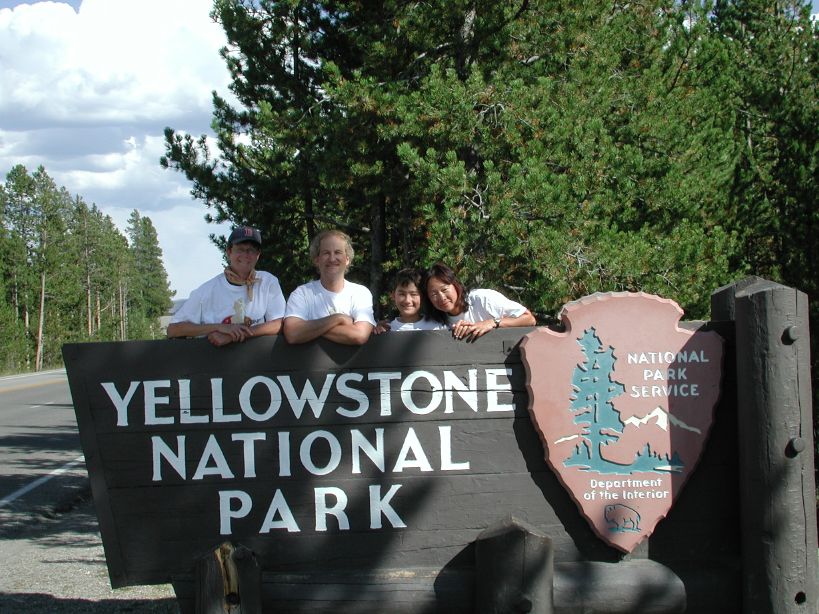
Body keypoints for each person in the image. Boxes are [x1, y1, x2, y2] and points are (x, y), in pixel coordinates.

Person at [167, 226, 286, 347]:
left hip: (257, 362)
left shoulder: (267, 282)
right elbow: (173, 329)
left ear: (258, 255)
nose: (246, 254)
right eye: (240, 249)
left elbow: (281, 323)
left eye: (251, 250)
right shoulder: (207, 290)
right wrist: (220, 328)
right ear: (229, 252)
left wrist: (234, 335)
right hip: (215, 362)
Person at [283, 229, 375, 345]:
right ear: (317, 260)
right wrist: (338, 318)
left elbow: (359, 336)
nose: (332, 259)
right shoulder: (301, 293)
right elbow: (293, 334)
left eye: (338, 252)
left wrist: (310, 327)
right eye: (326, 253)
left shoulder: (360, 293)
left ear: (347, 259)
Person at [423, 262, 536, 341]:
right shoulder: (434, 322)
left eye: (444, 289)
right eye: (434, 294)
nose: (441, 297)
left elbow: (529, 319)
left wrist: (492, 323)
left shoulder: (482, 299)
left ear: (455, 285)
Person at [373, 268, 447, 334]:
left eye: (414, 294)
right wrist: (376, 332)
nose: (407, 300)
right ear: (393, 295)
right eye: (402, 294)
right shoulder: (385, 330)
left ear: (423, 297)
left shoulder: (437, 328)